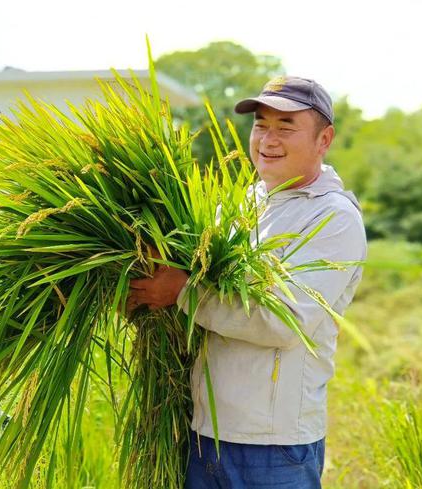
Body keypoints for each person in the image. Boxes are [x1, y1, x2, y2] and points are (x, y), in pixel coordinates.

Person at [128, 76, 367, 488]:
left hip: (273, 450)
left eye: (286, 126)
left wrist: (181, 291)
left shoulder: (333, 218)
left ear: (323, 139)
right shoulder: (239, 206)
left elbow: (283, 322)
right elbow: (195, 293)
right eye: (260, 124)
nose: (268, 139)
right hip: (205, 434)